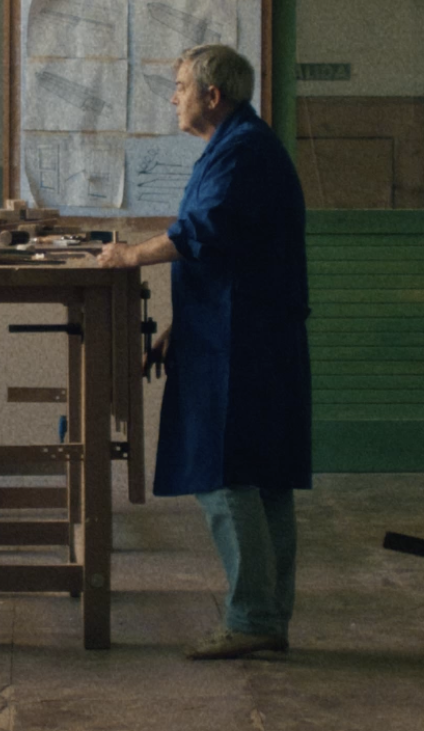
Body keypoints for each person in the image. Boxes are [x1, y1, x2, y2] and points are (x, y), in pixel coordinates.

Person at [96, 41, 312, 658]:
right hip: (240, 333)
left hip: (241, 344)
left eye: (180, 86)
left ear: (212, 96)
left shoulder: (242, 150)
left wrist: (126, 255)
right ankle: (266, 616)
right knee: (264, 479)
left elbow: (202, 233)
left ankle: (253, 619)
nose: (173, 98)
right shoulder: (236, 145)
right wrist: (179, 328)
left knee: (227, 477)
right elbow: (227, 254)